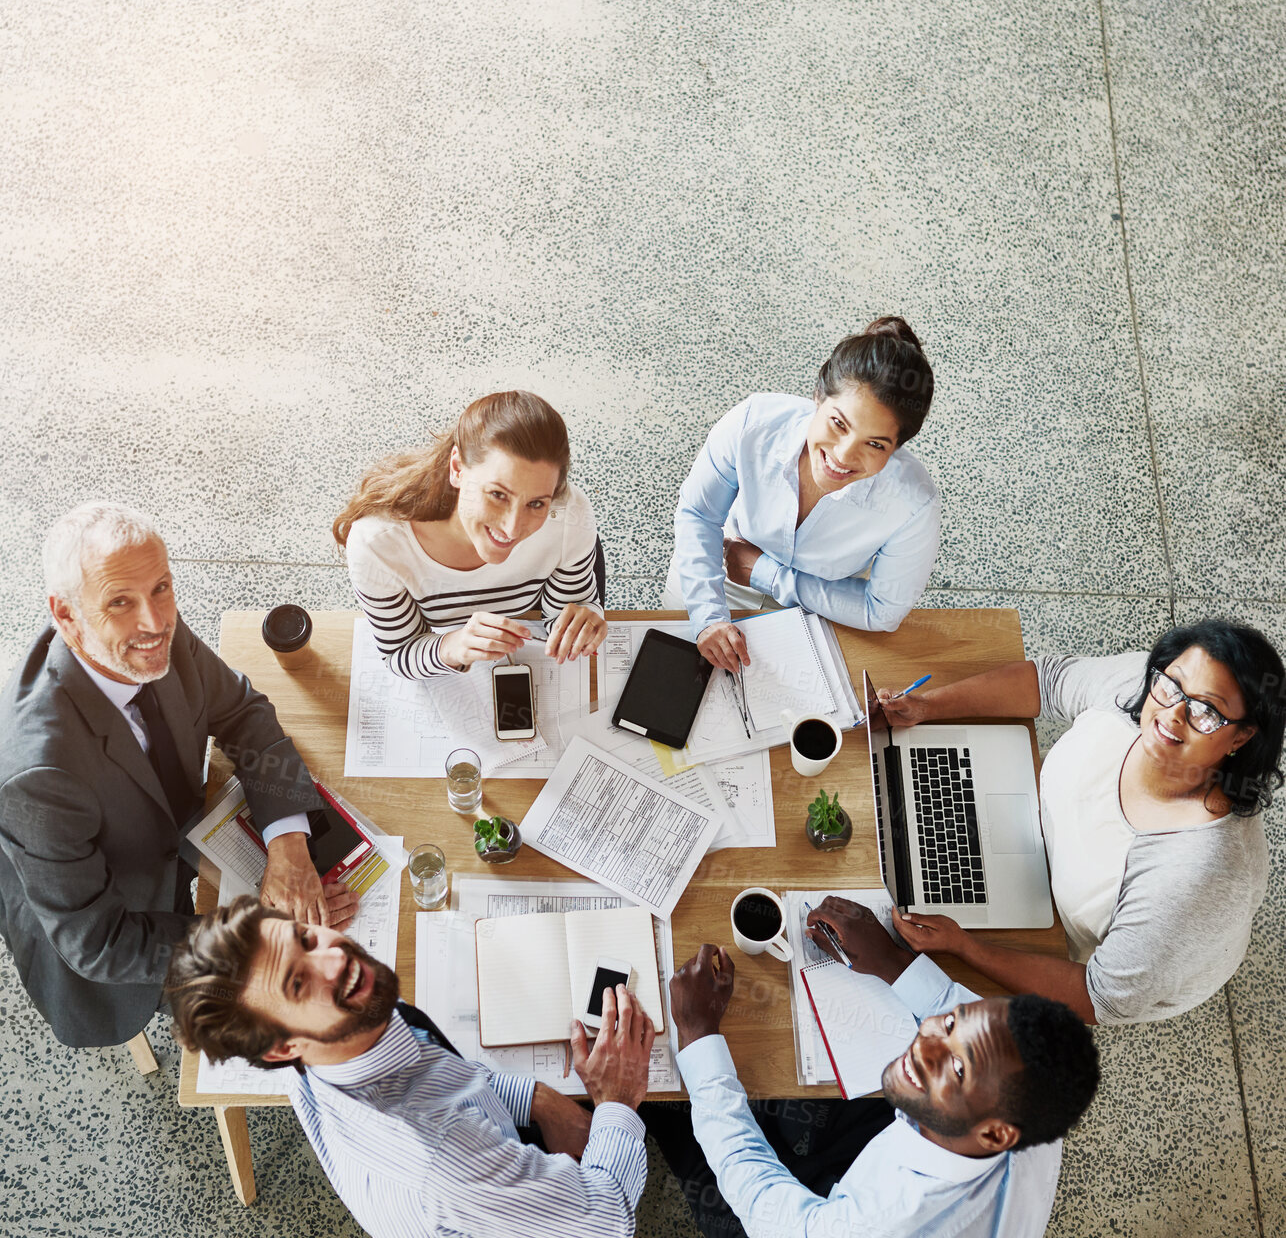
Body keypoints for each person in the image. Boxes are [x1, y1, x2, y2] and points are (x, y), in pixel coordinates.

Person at [642, 904, 1098, 1238]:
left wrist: (699, 1034)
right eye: (951, 1024)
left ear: (995, 1136)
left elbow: (759, 1199)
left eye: (958, 1070)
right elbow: (966, 1013)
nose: (923, 1042)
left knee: (671, 1102)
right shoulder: (1033, 1099)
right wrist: (891, 960)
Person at [167, 896, 653, 1238]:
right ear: (283, 1048)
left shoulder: (326, 1041)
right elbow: (608, 1225)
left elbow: (443, 1069)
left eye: (306, 938)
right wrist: (616, 1098)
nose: (337, 959)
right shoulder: (438, 1159)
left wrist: (537, 1097)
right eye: (298, 983)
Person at [0, 503, 353, 1050]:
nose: (155, 621)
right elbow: (98, 942)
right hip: (116, 915)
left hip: (178, 830)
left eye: (162, 587)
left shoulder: (156, 628)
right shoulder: (37, 776)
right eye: (120, 602)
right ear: (66, 616)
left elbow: (241, 711)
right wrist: (258, 942)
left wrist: (287, 845)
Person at [874, 620, 1284, 1025]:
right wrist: (926, 707)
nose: (1173, 713)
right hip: (1030, 833)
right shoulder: (1146, 688)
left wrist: (963, 946)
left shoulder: (1195, 879)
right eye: (1174, 685)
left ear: (1241, 737)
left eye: (1206, 711)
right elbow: (1046, 682)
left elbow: (1098, 999)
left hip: (1091, 942)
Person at [666, 318, 940, 673]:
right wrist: (707, 615)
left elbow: (881, 611)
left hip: (820, 604)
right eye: (839, 423)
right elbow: (698, 515)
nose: (842, 456)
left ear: (897, 448)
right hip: (717, 573)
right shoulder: (753, 423)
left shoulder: (914, 504)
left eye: (875, 444)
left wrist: (766, 573)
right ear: (817, 397)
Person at [334, 390, 607, 676]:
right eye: (497, 495)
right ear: (457, 469)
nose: (512, 528)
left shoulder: (568, 518)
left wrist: (584, 621)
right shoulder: (377, 544)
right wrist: (452, 647)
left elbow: (568, 611)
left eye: (536, 503)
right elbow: (399, 652)